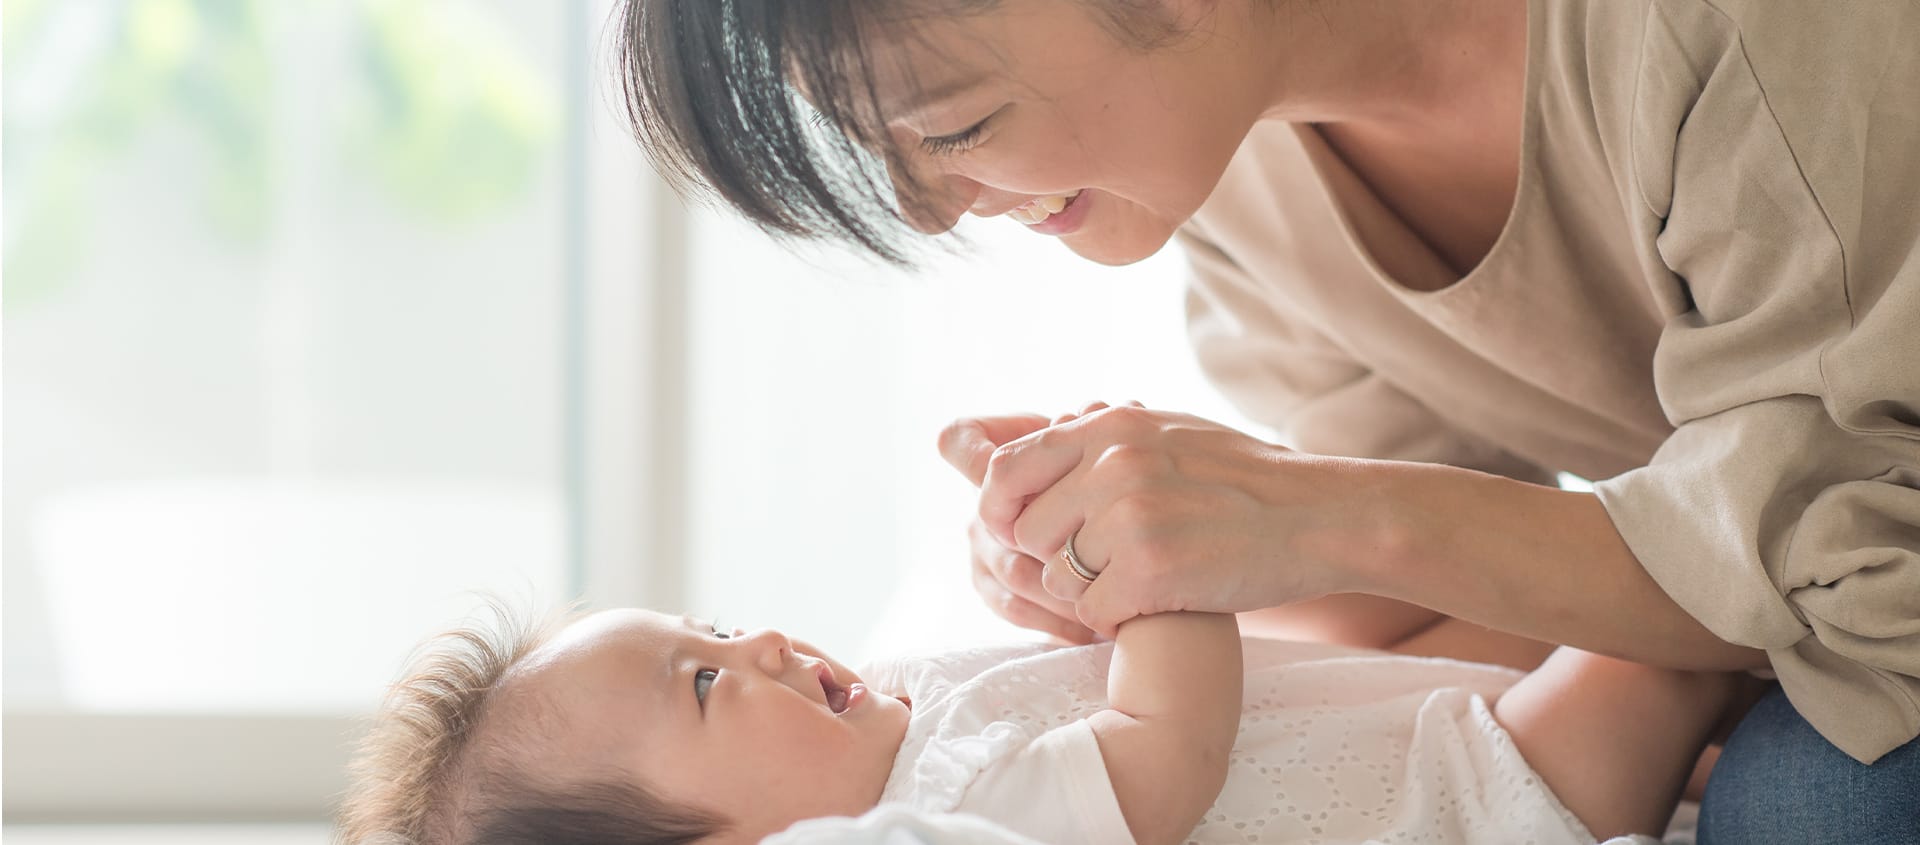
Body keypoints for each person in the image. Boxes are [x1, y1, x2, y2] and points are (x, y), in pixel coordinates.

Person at [615, 0, 1920, 840]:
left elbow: (1876, 583)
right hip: (1813, 597)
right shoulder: (1243, 196)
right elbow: (1411, 621)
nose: (930, 209)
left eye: (953, 127)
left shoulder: (1731, 32)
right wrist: (1142, 588)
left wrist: (1307, 514)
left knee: (1812, 807)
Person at [333, 598, 1740, 845]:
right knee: (1669, 635)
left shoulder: (915, 710)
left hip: (1412, 724)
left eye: (716, 621)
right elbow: (1170, 747)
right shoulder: (950, 822)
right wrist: (1146, 576)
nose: (755, 640)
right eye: (704, 683)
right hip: (1478, 796)